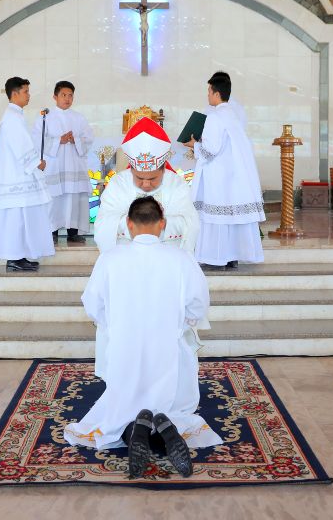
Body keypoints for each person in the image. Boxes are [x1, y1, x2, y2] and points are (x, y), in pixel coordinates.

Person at [64, 196, 221, 478]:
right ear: (162, 225)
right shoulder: (181, 258)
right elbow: (198, 303)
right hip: (168, 354)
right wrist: (184, 322)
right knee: (177, 386)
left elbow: (92, 304)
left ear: (128, 225)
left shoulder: (110, 258)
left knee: (119, 404)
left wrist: (110, 324)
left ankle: (135, 429)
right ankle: (167, 426)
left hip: (125, 350)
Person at [184, 74, 265, 270]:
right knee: (231, 217)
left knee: (217, 216)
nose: (208, 95)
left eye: (209, 91)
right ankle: (231, 256)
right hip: (233, 176)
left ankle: (216, 257)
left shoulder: (214, 117)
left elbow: (211, 150)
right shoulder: (232, 115)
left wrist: (194, 145)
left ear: (216, 93)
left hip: (219, 177)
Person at [0, 77, 54, 271]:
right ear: (15, 93)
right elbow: (21, 146)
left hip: (17, 173)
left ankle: (19, 256)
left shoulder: (15, 115)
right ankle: (13, 258)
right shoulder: (12, 117)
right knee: (15, 217)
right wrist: (37, 163)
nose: (29, 95)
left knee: (20, 217)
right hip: (15, 176)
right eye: (26, 91)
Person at [94, 117, 199, 253]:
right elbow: (103, 225)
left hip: (167, 256)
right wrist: (142, 222)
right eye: (139, 177)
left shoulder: (176, 184)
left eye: (153, 178)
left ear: (163, 169)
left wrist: (163, 222)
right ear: (131, 169)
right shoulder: (118, 184)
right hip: (126, 257)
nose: (146, 184)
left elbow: (191, 224)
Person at [32, 81, 94, 244]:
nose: (67, 98)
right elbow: (37, 139)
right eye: (63, 95)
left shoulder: (79, 118)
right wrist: (59, 140)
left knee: (73, 199)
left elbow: (89, 139)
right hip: (55, 166)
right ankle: (51, 231)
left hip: (74, 165)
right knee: (54, 199)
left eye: (70, 95)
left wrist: (76, 140)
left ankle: (73, 232)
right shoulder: (45, 117)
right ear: (55, 96)